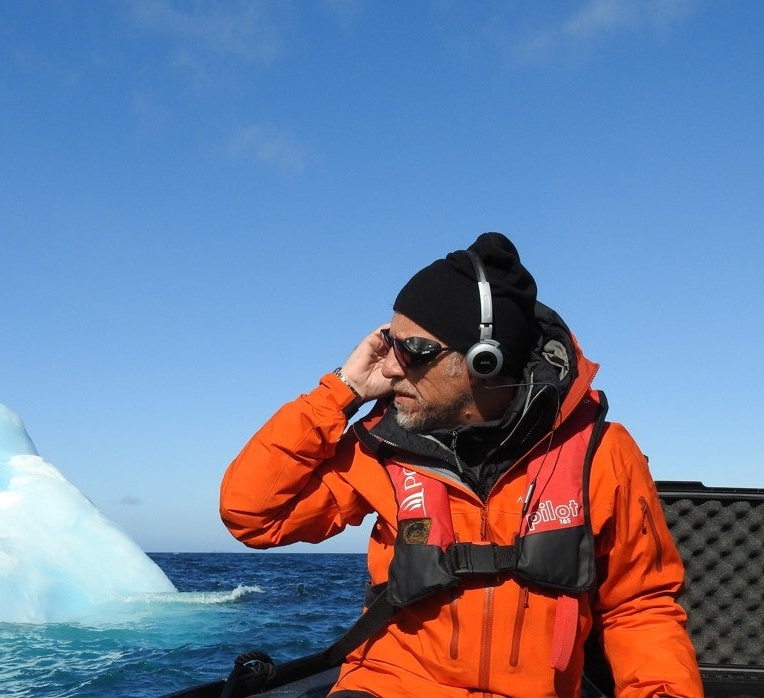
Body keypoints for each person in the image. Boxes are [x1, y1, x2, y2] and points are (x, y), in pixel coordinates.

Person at [219, 233, 703, 697]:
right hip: (387, 687)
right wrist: (341, 388)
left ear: (484, 360)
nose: (389, 367)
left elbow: (639, 608)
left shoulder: (601, 453)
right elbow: (254, 516)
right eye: (391, 343)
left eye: (414, 350)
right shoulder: (382, 444)